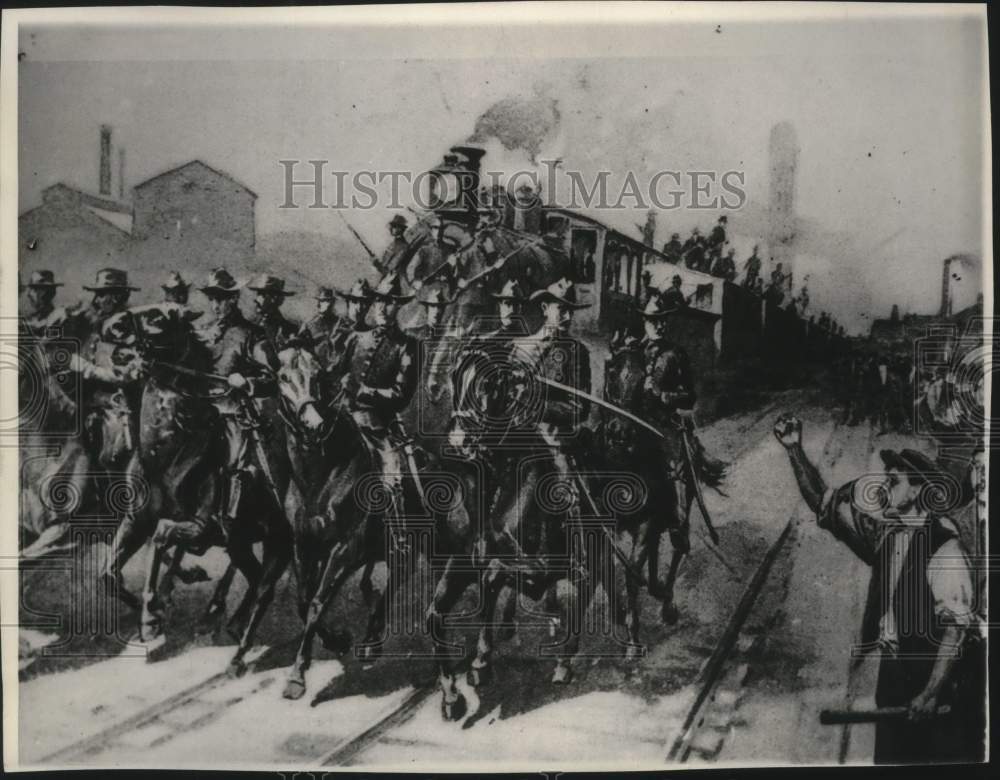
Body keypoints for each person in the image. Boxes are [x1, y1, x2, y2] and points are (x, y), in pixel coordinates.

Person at [773, 416, 984, 764]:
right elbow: (826, 506)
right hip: (895, 681)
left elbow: (955, 629)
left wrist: (931, 694)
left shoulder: (945, 548)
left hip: (935, 690)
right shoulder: (888, 536)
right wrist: (794, 449)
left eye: (894, 481)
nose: (885, 487)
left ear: (917, 491)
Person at [166, 267, 282, 542]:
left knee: (235, 459)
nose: (217, 304)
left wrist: (248, 382)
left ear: (234, 298)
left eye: (222, 298)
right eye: (212, 298)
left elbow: (272, 377)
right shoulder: (199, 331)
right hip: (198, 412)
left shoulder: (251, 335)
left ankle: (227, 519)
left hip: (232, 413)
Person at [335, 272, 419, 530]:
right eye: (380, 300)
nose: (382, 307)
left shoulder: (408, 346)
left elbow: (400, 394)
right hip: (343, 417)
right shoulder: (357, 338)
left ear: (400, 306)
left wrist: (363, 390)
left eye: (390, 302)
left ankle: (397, 533)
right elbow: (335, 374)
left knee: (392, 472)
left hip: (378, 425)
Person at [247, 274, 299, 352]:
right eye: (258, 294)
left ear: (273, 298)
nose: (256, 299)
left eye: (262, 294)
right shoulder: (253, 321)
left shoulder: (287, 331)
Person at [299, 287, 340, 363]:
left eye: (322, 301)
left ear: (332, 302)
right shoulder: (309, 322)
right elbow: (299, 345)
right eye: (318, 301)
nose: (318, 305)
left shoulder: (339, 322)